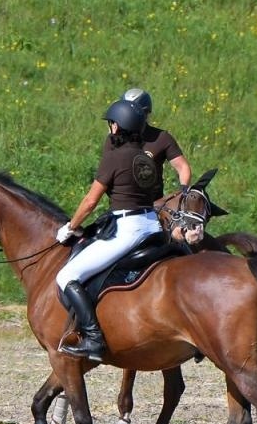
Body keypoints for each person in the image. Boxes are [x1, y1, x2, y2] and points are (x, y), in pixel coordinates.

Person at [52, 95, 186, 360]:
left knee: (66, 276)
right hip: (151, 224)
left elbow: (91, 201)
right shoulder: (145, 159)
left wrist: (71, 227)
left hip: (127, 229)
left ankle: (93, 338)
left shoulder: (115, 157)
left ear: (117, 127)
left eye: (111, 124)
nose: (110, 128)